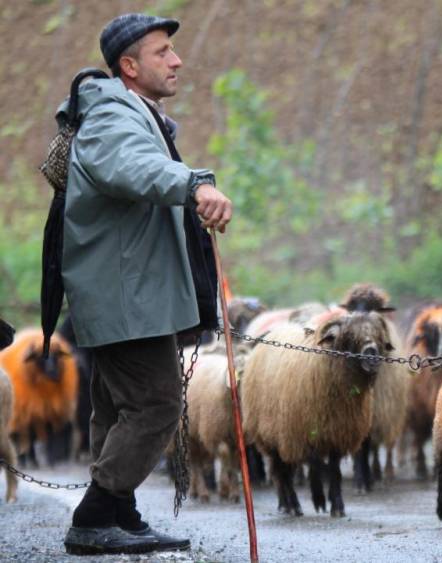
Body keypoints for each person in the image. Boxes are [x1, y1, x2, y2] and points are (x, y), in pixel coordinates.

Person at [60, 13, 233, 556]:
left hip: (129, 291)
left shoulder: (133, 111)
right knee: (157, 405)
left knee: (114, 409)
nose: (177, 60)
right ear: (129, 67)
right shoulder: (113, 112)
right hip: (125, 293)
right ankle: (93, 515)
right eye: (162, 52)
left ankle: (122, 514)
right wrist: (194, 184)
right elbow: (130, 168)